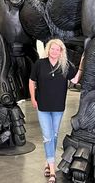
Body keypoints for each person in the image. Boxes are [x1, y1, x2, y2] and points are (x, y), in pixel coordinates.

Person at [29, 39, 78, 182]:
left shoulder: (65, 66)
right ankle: (52, 170)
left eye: (58, 49)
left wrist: (82, 63)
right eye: (52, 49)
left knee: (54, 136)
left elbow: (74, 80)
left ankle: (47, 162)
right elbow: (32, 81)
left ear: (61, 51)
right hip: (43, 107)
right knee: (47, 137)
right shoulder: (40, 64)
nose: (54, 51)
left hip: (58, 107)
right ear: (48, 50)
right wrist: (33, 98)